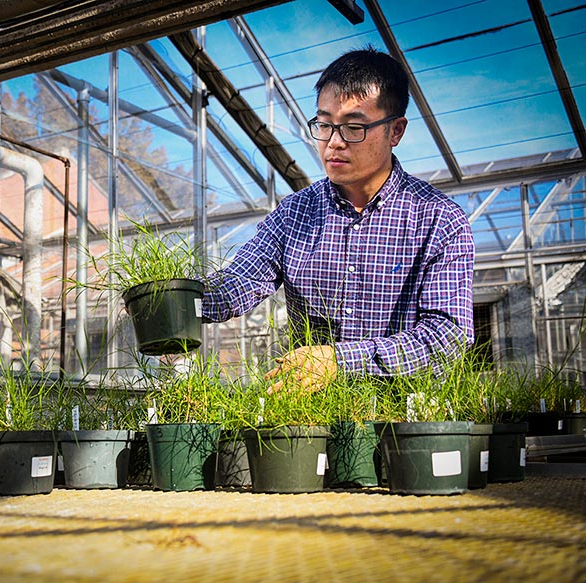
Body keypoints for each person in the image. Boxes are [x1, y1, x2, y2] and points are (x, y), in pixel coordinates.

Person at [201, 47, 475, 393]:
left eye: (354, 128)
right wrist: (173, 296)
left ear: (396, 131)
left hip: (403, 427)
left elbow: (445, 338)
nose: (334, 143)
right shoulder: (294, 215)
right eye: (325, 125)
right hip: (310, 424)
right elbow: (237, 284)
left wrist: (339, 361)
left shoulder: (438, 219)